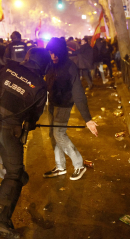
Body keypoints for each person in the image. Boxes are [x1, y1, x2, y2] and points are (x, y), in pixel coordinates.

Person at [0, 48, 51, 239]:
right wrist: (28, 125)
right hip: (7, 130)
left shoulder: (6, 68)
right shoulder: (40, 85)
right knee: (14, 174)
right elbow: (34, 115)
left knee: (10, 161)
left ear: (27, 58)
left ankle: (12, 176)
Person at [43, 38, 98, 181]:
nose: (53, 56)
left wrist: (88, 119)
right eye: (51, 53)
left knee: (59, 134)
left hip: (64, 105)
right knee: (52, 134)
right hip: (52, 104)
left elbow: (78, 92)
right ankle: (60, 167)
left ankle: (79, 165)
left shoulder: (70, 66)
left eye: (56, 53)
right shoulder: (50, 65)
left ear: (62, 53)